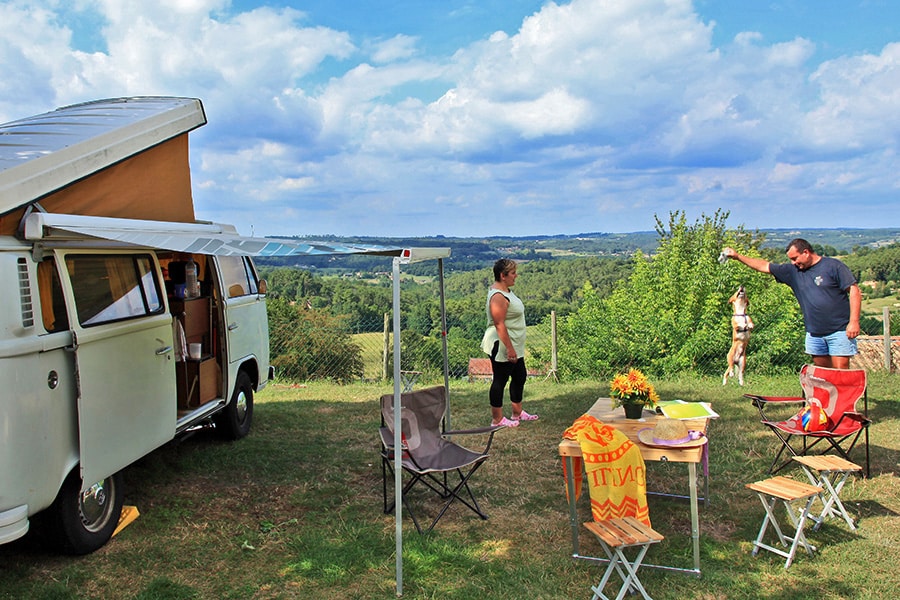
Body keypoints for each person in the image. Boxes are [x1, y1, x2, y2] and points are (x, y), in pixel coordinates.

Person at [722, 238, 861, 369]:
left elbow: (854, 291)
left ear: (806, 252)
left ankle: (847, 388)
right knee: (823, 374)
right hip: (814, 333)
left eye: (795, 258)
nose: (793, 263)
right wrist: (737, 256)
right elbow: (764, 266)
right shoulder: (793, 272)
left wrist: (854, 322)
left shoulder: (833, 266)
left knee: (840, 371)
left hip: (839, 330)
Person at [481, 259, 538, 427]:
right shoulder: (498, 297)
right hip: (502, 344)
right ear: (502, 275)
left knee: (520, 376)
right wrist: (510, 349)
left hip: (514, 344)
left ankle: (517, 413)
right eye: (513, 273)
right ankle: (497, 419)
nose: (516, 275)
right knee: (500, 379)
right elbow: (499, 324)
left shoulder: (506, 292)